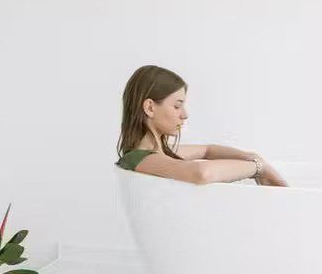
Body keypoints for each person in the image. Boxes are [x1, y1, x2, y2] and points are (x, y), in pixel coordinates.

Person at [115, 64, 289, 187]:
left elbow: (207, 150)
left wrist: (252, 157)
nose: (185, 114)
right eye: (177, 106)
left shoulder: (161, 153)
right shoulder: (139, 159)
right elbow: (201, 173)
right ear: (150, 107)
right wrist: (259, 168)